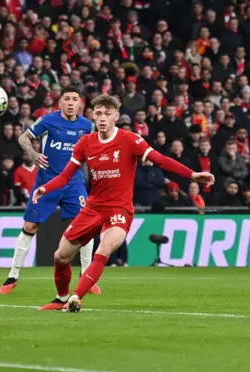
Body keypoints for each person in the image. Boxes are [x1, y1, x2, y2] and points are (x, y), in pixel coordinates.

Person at [33, 94, 214, 312]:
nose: (101, 118)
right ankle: (61, 298)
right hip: (93, 208)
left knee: (105, 247)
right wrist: (45, 188)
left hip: (119, 210)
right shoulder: (86, 142)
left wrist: (192, 174)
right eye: (98, 113)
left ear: (116, 116)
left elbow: (160, 159)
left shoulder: (130, 140)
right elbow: (65, 176)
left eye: (107, 114)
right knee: (60, 256)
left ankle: (76, 297)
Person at [0, 86, 100, 297]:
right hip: (47, 182)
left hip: (73, 184)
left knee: (85, 228)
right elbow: (23, 138)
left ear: (80, 104)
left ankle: (87, 276)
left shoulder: (86, 126)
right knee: (30, 226)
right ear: (60, 102)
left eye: (74, 99)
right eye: (67, 99)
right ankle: (13, 275)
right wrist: (34, 155)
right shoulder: (47, 120)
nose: (71, 103)